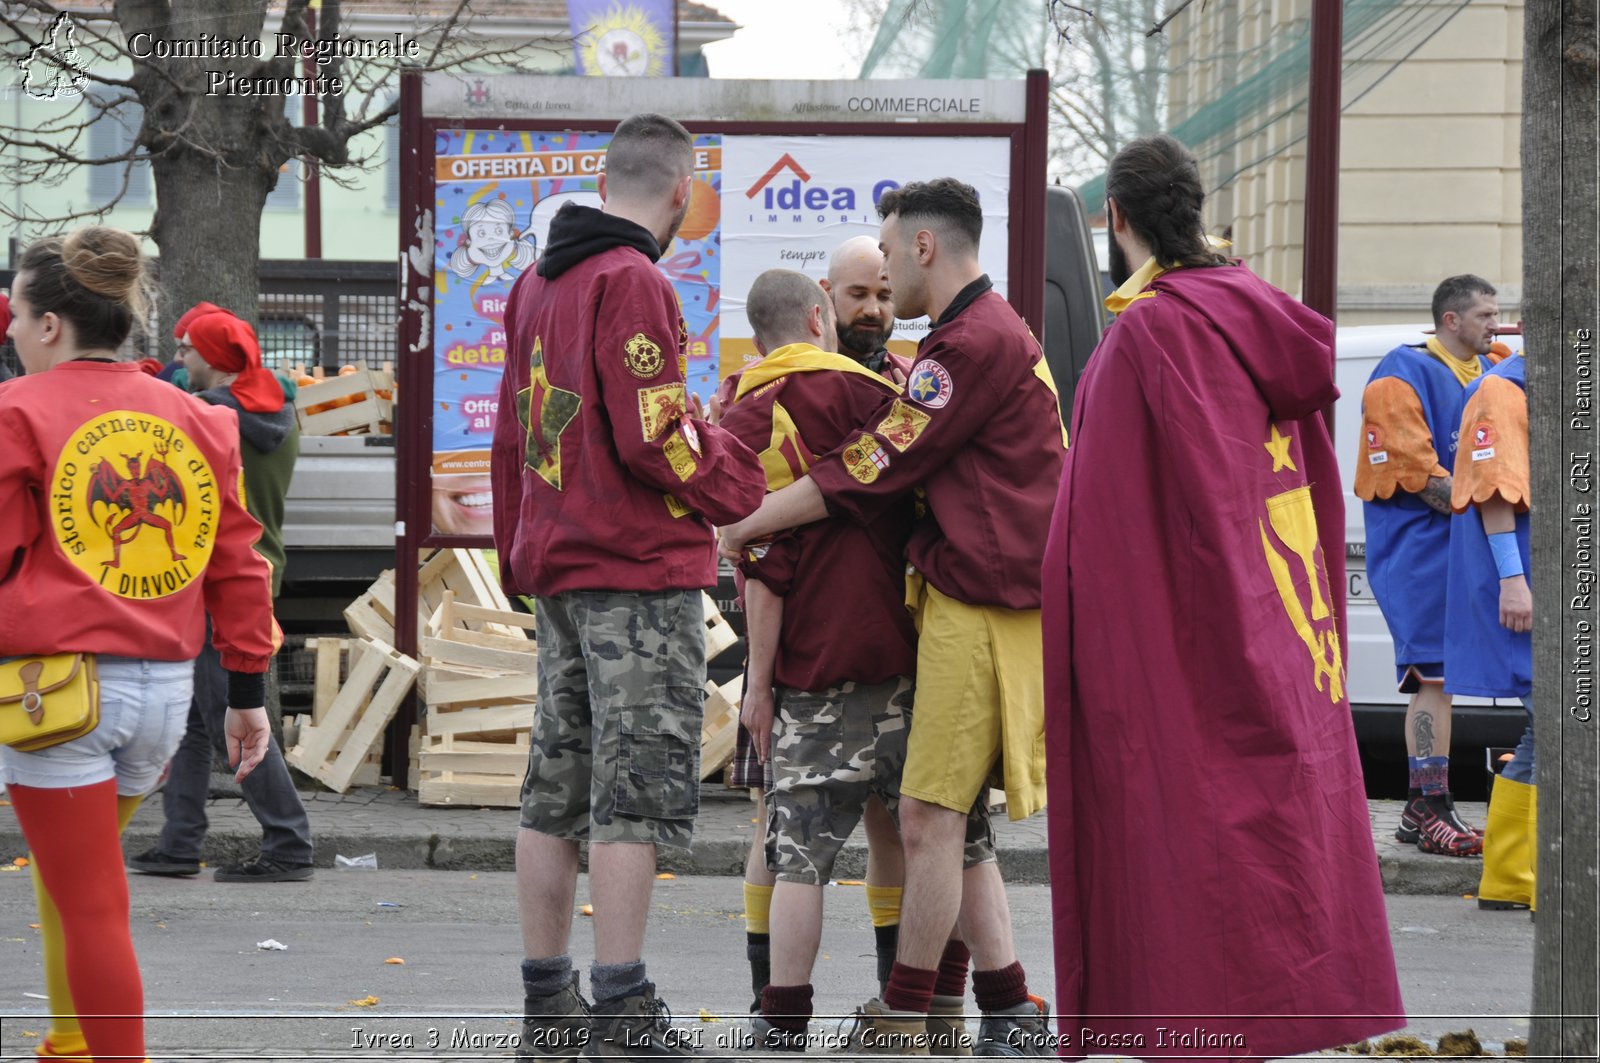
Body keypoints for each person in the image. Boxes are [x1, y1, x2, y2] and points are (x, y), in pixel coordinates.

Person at [1041, 133, 1403, 1059]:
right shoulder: (1263, 315)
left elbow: (1098, 532)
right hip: (1289, 628)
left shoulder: (1151, 332)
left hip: (1195, 639)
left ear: (1113, 218)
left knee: (1191, 845)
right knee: (1278, 838)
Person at [719, 178, 1064, 1056]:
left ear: (921, 248)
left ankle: (904, 1014)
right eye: (856, 287)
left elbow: (872, 465)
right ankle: (981, 1006)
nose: (881, 289)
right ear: (820, 314)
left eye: (886, 261)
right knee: (945, 824)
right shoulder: (965, 342)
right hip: (957, 611)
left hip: (976, 607)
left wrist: (748, 522)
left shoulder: (964, 346)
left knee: (921, 822)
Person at [488, 112, 766, 1058]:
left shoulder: (536, 280)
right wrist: (737, 475)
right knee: (634, 792)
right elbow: (658, 436)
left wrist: (520, 554)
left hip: (560, 566)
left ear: (605, 183)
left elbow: (512, 440)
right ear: (680, 191)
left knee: (552, 789)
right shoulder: (635, 280)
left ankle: (547, 1005)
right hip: (637, 575)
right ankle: (621, 1005)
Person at [0, 226, 276, 1062]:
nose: (8, 329)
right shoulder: (199, 416)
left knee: (88, 902)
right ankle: (67, 1045)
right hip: (163, 694)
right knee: (75, 882)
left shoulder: (17, 411)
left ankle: (103, 1055)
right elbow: (239, 565)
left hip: (62, 694)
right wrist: (250, 694)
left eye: (13, 312)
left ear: (51, 324)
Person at [717, 268, 917, 1051]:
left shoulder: (744, 412)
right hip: (907, 655)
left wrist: (756, 685)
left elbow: (764, 559)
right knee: (921, 836)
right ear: (818, 312)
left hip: (809, 665)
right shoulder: (881, 398)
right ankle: (913, 1001)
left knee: (794, 851)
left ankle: (781, 1021)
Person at [128, 307, 315, 884]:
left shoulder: (208, 414)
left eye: (187, 352)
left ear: (211, 359)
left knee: (230, 711)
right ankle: (180, 841)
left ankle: (288, 842)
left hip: (221, 582)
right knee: (192, 718)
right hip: (257, 571)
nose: (181, 361)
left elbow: (153, 406)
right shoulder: (283, 409)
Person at [1355, 274, 1507, 856]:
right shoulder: (1399, 375)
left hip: (1463, 550)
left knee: (1447, 679)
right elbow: (1422, 480)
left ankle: (1424, 813)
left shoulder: (1488, 370)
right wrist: (1502, 502)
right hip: (1419, 553)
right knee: (1432, 679)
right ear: (1451, 320)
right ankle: (1427, 806)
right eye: (1486, 315)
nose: (1496, 325)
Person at [1445, 348, 1535, 910]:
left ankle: (1510, 879)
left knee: (1550, 729)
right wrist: (1513, 582)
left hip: (1539, 576)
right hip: (1523, 579)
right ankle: (1517, 878)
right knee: (1556, 726)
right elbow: (1495, 493)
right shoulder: (1504, 390)